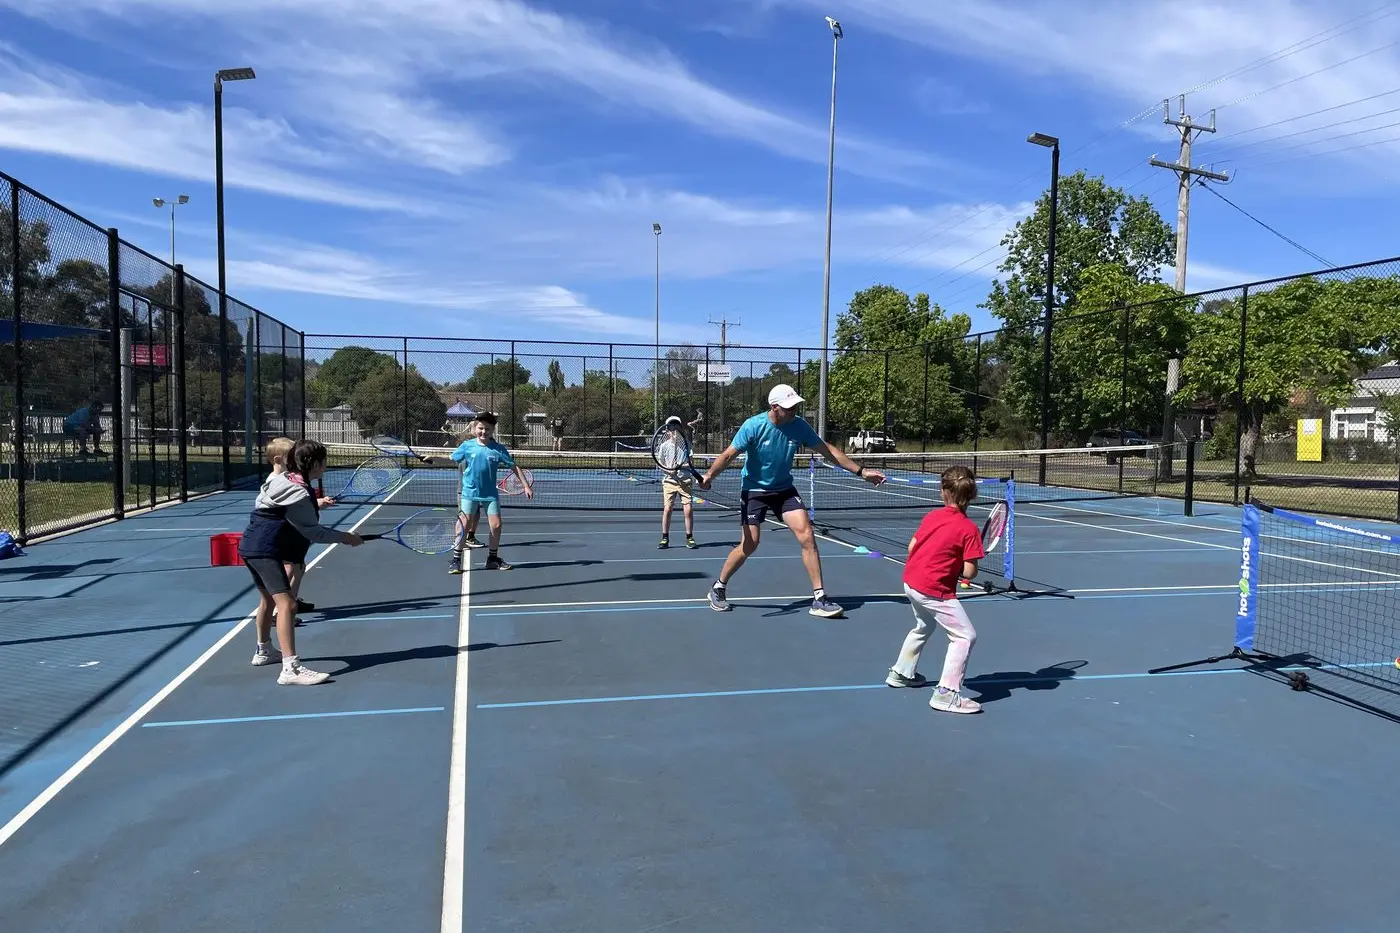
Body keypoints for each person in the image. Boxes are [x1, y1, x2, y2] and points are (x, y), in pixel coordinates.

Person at [698, 384, 884, 618]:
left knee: (807, 535)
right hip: (754, 490)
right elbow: (728, 455)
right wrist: (709, 476)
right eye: (789, 407)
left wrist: (861, 471)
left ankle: (819, 599)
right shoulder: (753, 426)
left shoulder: (799, 426)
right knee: (750, 544)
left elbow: (827, 450)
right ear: (774, 407)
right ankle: (718, 587)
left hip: (784, 489)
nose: (794, 410)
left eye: (795, 405)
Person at [238, 439, 363, 685]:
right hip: (265, 550)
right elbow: (313, 532)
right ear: (314, 464)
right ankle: (291, 669)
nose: (325, 466)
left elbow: (280, 509)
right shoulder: (300, 491)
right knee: (287, 605)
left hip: (250, 545)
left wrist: (316, 505)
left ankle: (264, 650)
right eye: (324, 462)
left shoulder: (283, 479)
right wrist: (346, 538)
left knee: (268, 600)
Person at [884, 465, 985, 714]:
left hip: (911, 582)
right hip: (933, 590)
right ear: (972, 495)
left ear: (943, 492)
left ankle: (901, 672)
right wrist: (962, 566)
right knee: (964, 636)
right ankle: (946, 693)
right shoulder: (969, 529)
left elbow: (912, 547)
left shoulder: (932, 516)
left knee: (924, 625)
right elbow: (969, 573)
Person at [449, 412, 533, 573]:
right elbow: (450, 459)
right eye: (481, 428)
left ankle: (492, 559)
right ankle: (456, 560)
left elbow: (514, 467)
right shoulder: (467, 446)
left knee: (496, 525)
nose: (483, 432)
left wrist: (526, 486)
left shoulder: (498, 449)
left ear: (492, 430)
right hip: (469, 493)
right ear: (475, 428)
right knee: (464, 525)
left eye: (487, 429)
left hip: (490, 494)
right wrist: (432, 459)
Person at [263, 436, 335, 621]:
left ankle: (291, 601)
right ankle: (280, 608)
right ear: (278, 460)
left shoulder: (289, 478)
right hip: (285, 533)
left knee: (299, 567)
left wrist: (317, 502)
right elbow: (288, 508)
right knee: (289, 569)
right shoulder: (277, 480)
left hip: (293, 532)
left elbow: (296, 505)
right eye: (291, 457)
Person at [657, 412, 703, 550]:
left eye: (676, 428)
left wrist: (681, 466)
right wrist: (668, 470)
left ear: (680, 429)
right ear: (667, 431)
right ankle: (665, 538)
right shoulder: (664, 446)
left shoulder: (687, 444)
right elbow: (660, 464)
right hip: (669, 482)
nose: (674, 431)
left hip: (685, 481)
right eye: (671, 428)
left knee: (688, 509)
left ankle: (690, 537)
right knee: (668, 509)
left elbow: (691, 463)